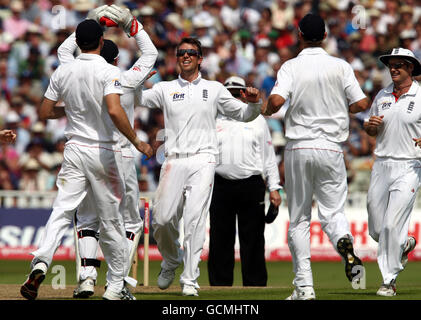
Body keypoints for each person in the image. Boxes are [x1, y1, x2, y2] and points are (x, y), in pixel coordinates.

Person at [19, 19, 153, 301]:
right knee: (112, 221)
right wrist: (137, 141)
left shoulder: (63, 70)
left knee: (63, 210)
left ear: (78, 42)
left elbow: (45, 111)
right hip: (103, 151)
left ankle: (42, 260)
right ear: (102, 42)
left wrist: (69, 113)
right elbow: (115, 112)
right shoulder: (109, 71)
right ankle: (116, 286)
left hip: (74, 149)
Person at [140, 37, 263, 296]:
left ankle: (189, 279)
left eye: (191, 53)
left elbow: (244, 115)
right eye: (181, 52)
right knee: (161, 220)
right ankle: (172, 259)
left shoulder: (215, 89)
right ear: (177, 57)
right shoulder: (165, 88)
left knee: (195, 220)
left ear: (200, 59)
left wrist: (253, 102)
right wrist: (137, 78)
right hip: (173, 158)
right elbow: (136, 99)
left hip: (204, 158)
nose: (186, 56)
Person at [264, 13, 370, 300]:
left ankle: (305, 288)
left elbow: (276, 101)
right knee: (333, 212)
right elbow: (361, 102)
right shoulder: (340, 66)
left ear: (299, 36)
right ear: (324, 36)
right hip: (332, 148)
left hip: (299, 146)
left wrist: (265, 109)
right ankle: (342, 242)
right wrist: (337, 108)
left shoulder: (291, 66)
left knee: (298, 219)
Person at [56, 4, 158, 299]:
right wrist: (131, 23)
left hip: (83, 151)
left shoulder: (74, 70)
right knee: (129, 222)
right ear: (115, 58)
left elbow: (64, 53)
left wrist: (89, 23)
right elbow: (150, 54)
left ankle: (86, 279)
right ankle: (118, 283)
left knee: (87, 219)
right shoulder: (125, 78)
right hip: (119, 155)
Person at [208, 75, 282, 287]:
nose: (232, 97)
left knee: (253, 239)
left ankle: (256, 285)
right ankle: (219, 286)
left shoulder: (257, 119)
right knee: (220, 238)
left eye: (236, 93)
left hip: (251, 184)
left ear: (243, 94)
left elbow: (268, 157)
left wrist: (275, 188)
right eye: (228, 93)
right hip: (220, 184)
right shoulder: (213, 119)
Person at [364, 48, 420, 297]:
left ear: (410, 67)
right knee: (376, 229)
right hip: (382, 164)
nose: (393, 68)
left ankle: (389, 280)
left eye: (399, 64)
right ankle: (404, 244)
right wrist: (371, 127)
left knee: (390, 225)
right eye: (390, 64)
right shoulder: (382, 95)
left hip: (409, 166)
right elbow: (371, 130)